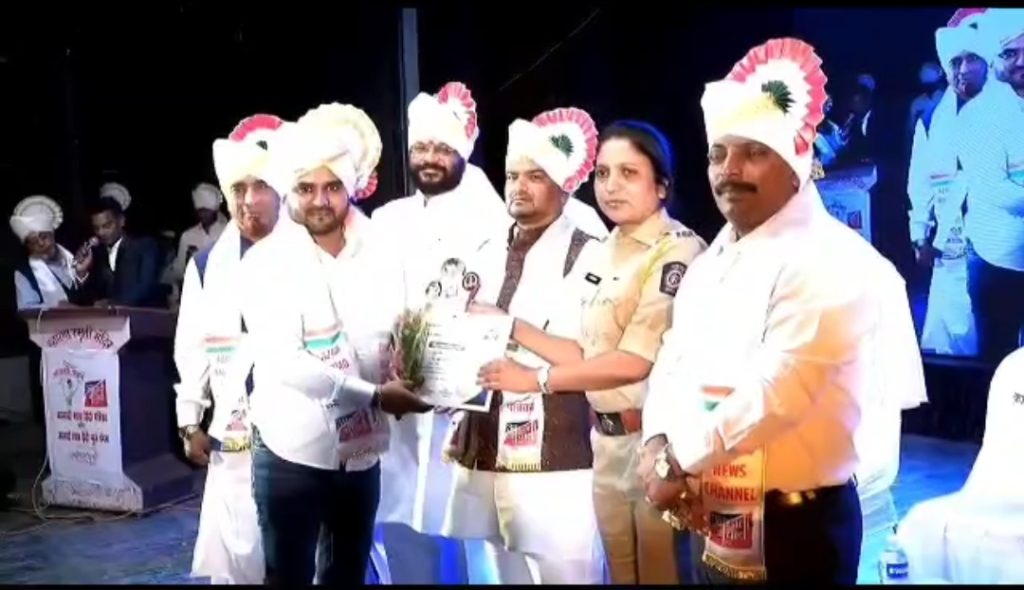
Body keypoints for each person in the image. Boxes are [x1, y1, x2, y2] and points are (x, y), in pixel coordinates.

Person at [637, 37, 921, 584]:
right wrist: (655, 443)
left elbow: (779, 391)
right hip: (711, 507)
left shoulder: (833, 259)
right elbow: (673, 361)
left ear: (796, 164)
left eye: (754, 152)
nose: (729, 170)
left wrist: (674, 462)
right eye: (718, 154)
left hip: (798, 528)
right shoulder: (712, 261)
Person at [477, 119, 707, 584]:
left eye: (628, 173)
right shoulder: (603, 250)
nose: (611, 185)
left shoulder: (677, 251)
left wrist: (535, 380)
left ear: (662, 186)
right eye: (602, 174)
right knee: (619, 575)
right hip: (605, 445)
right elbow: (585, 351)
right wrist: (508, 326)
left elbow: (633, 362)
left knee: (663, 575)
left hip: (656, 446)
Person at [239, 103, 431, 585]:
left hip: (361, 454)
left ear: (351, 188)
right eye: (307, 188)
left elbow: (404, 324)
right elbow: (288, 362)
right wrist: (377, 396)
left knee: (347, 575)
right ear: (291, 191)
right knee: (287, 577)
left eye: (332, 187)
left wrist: (411, 365)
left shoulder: (383, 249)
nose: (320, 200)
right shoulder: (265, 262)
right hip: (291, 450)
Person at [443, 107, 606, 584]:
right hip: (483, 444)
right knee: (496, 572)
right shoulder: (485, 248)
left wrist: (509, 325)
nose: (519, 187)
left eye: (535, 177)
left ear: (564, 186)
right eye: (513, 176)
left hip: (558, 452)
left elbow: (590, 358)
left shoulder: (590, 252)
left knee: (567, 573)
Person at [369, 81, 512, 585]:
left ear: (464, 152)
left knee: (472, 527)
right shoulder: (388, 220)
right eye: (421, 148)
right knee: (403, 515)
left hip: (469, 403)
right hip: (402, 403)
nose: (430, 158)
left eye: (442, 148)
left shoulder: (497, 220)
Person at [174, 113, 285, 585]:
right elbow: (192, 345)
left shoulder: (308, 254)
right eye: (238, 188)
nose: (248, 199)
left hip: (301, 432)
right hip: (233, 431)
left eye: (260, 186)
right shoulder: (206, 264)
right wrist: (189, 420)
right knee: (239, 541)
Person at [908, 9, 988, 356]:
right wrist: (919, 234)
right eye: (955, 61)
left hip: (1002, 254)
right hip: (948, 253)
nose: (963, 69)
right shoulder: (932, 118)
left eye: (972, 59)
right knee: (948, 348)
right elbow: (919, 181)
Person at [958, 8, 1024, 362]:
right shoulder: (979, 115)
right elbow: (995, 190)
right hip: (997, 259)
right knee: (997, 364)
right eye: (1010, 53)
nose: (1021, 61)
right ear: (995, 60)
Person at [76, 183, 164, 308]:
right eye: (96, 228)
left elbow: (146, 287)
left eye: (107, 226)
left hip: (142, 317)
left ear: (121, 221)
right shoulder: (95, 254)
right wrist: (82, 272)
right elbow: (86, 298)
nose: (101, 232)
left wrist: (112, 304)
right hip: (106, 320)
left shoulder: (144, 247)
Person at [10, 195, 89, 310]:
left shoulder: (69, 258)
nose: (41, 244)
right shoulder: (24, 273)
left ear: (52, 234)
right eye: (33, 242)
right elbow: (26, 310)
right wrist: (56, 308)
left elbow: (83, 297)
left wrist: (81, 273)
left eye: (44, 236)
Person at [169, 182, 229, 298]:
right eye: (200, 211)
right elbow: (179, 269)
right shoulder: (188, 236)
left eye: (207, 211)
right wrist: (175, 293)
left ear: (215, 211)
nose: (203, 214)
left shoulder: (228, 234)